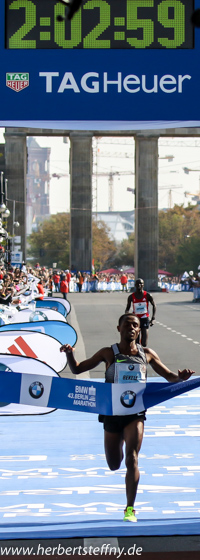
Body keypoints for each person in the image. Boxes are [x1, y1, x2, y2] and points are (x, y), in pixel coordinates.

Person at [60, 313, 194, 523]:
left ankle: (130, 508)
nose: (131, 328)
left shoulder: (146, 354)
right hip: (112, 413)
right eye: (127, 325)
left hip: (135, 413)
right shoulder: (108, 353)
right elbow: (77, 369)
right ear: (118, 328)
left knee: (132, 458)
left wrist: (181, 378)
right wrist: (69, 353)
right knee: (114, 464)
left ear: (139, 330)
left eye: (135, 325)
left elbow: (170, 377)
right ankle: (120, 440)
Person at [125, 278, 156, 346]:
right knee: (136, 342)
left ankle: (142, 352)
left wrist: (153, 318)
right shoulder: (131, 297)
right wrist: (127, 317)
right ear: (135, 285)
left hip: (145, 318)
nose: (139, 285)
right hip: (135, 320)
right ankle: (139, 354)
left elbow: (154, 305)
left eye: (141, 283)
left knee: (144, 343)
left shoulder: (148, 295)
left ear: (143, 285)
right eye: (138, 284)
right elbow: (127, 309)